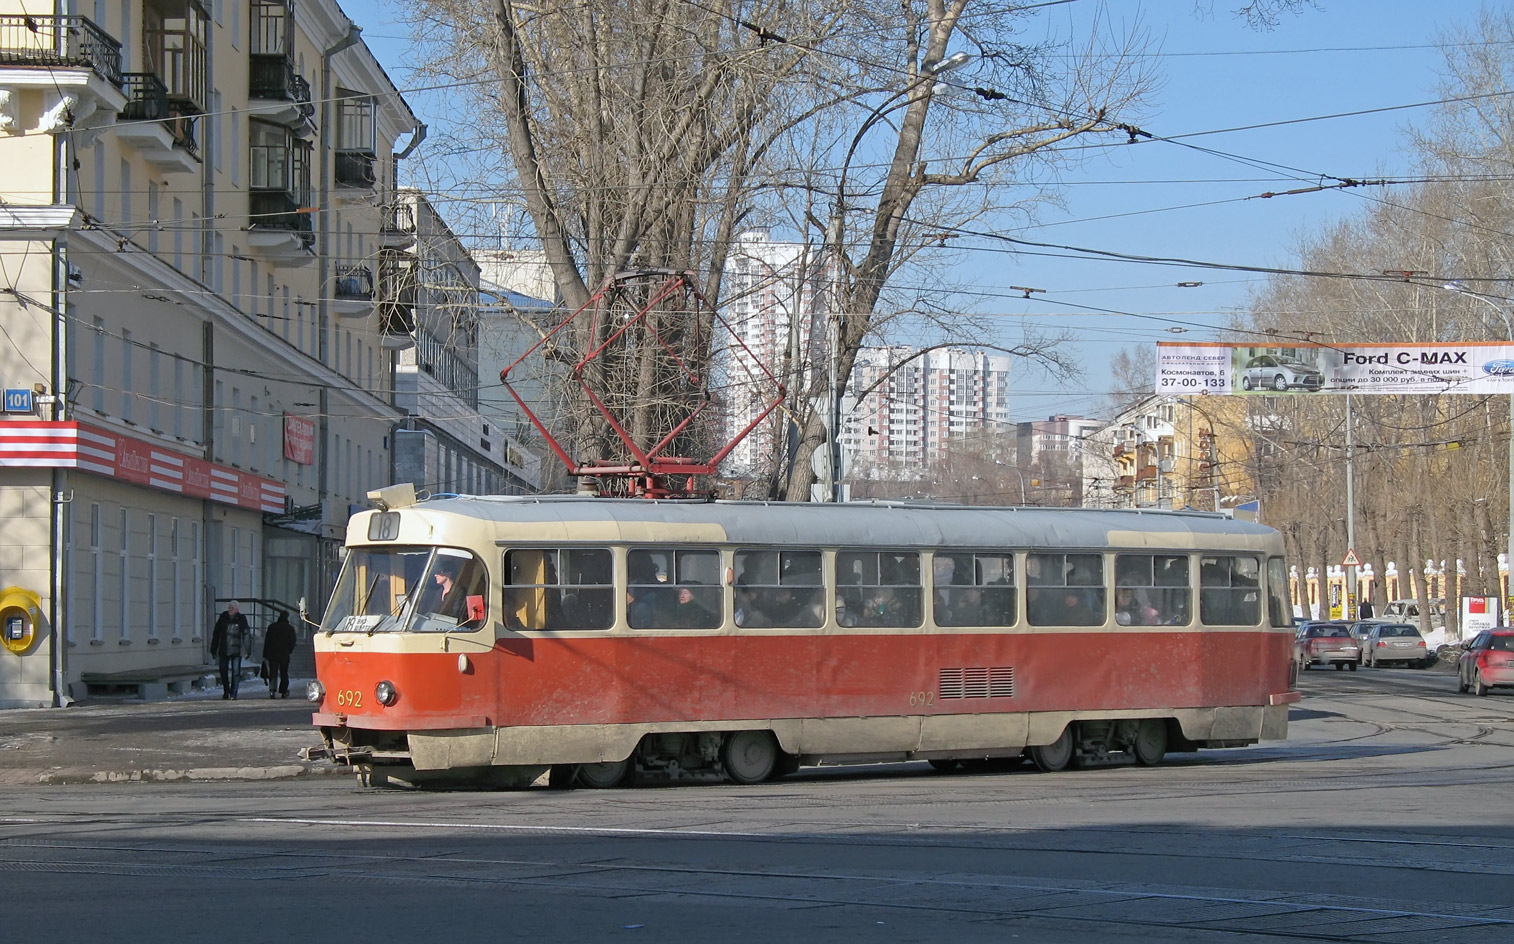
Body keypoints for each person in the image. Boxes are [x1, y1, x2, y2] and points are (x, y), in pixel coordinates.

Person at [210, 601, 251, 700]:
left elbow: (246, 635)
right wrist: (213, 649)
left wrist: (247, 650)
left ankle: (233, 693)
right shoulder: (223, 618)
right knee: (223, 670)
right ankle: (226, 690)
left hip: (236, 650)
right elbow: (216, 634)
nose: (232, 610)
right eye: (231, 608)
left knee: (236, 672)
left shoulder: (241, 619)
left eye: (234, 608)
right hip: (224, 648)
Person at [262, 610, 297, 699]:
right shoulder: (289, 628)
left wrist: (265, 654)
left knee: (273, 672)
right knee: (284, 672)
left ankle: (272, 690)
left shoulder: (272, 627)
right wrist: (289, 651)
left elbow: (267, 641)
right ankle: (283, 691)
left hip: (272, 653)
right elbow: (292, 642)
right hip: (284, 654)